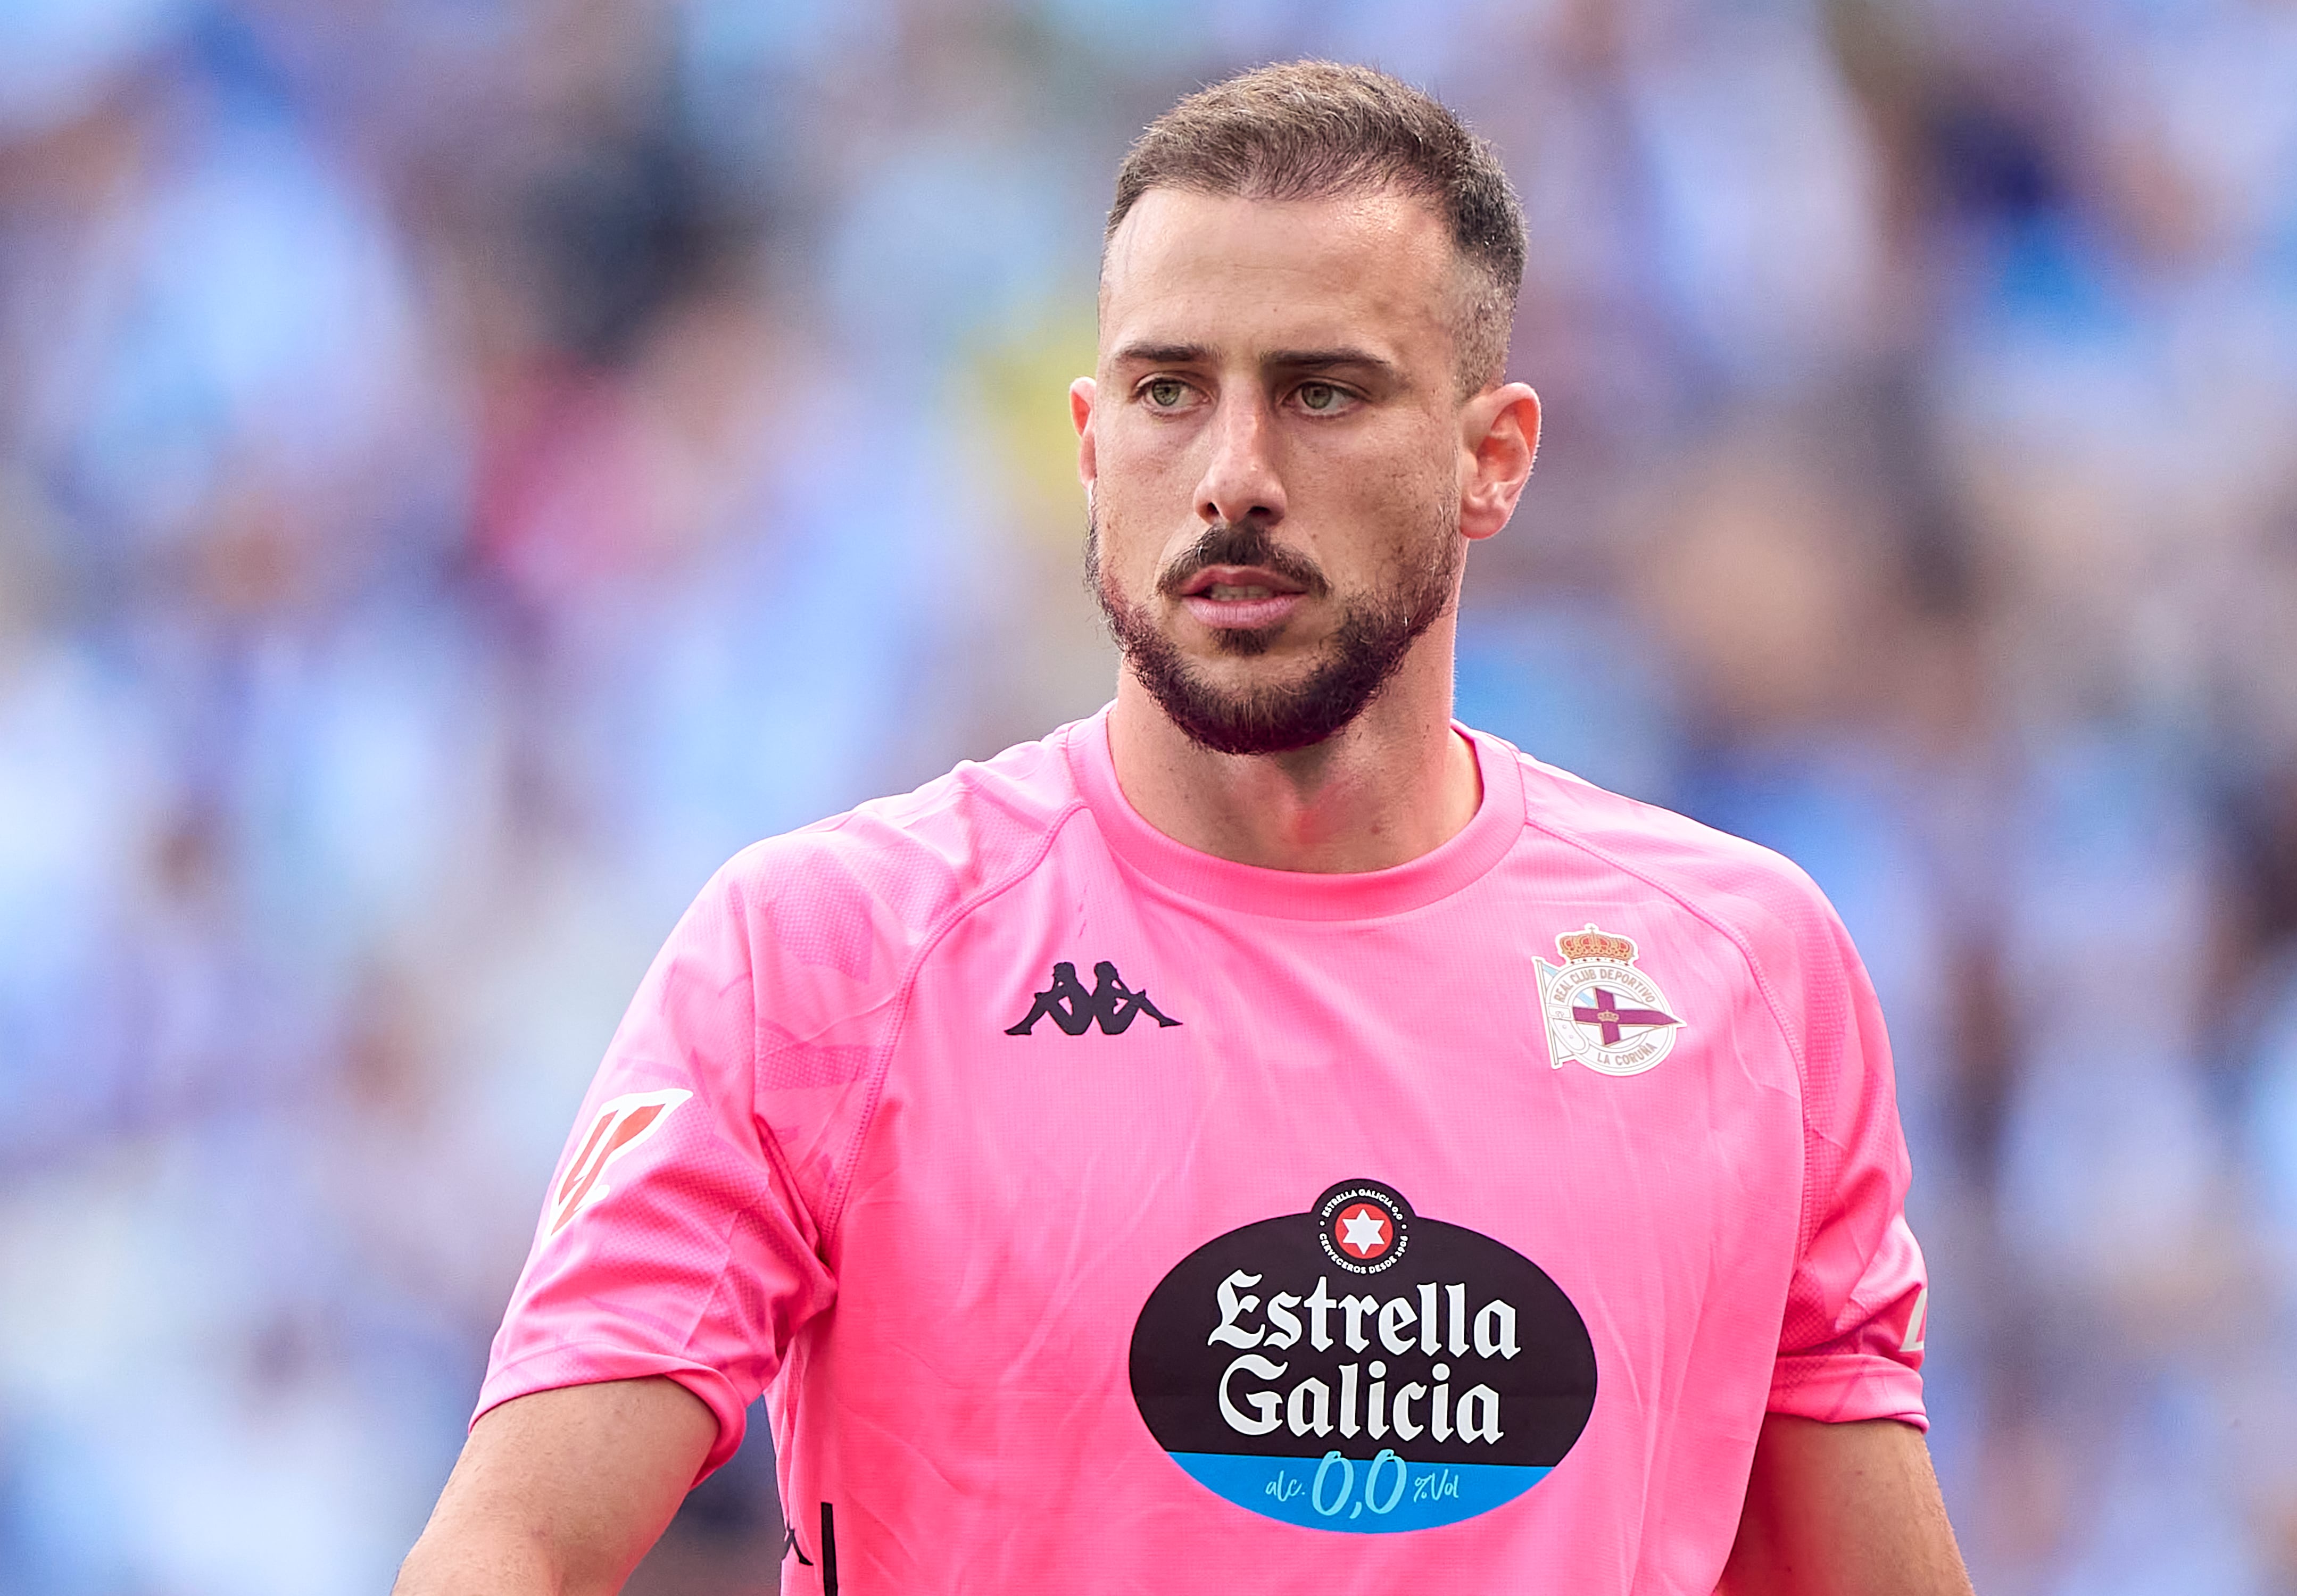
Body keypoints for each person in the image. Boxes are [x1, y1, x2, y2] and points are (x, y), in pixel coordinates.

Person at [395, 62, 1973, 1595]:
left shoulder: (1743, 975)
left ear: (1493, 458)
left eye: (1322, 393)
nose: (1232, 475)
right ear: (1089, 445)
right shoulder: (824, 955)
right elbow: (509, 1548)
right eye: (1169, 391)